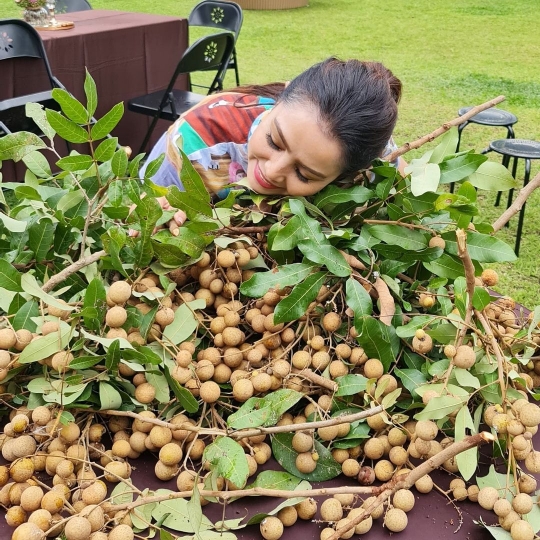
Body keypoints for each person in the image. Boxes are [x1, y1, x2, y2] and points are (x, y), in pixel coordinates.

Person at [141, 57, 404, 228]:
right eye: (275, 142)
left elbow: (398, 196)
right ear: (280, 98)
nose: (270, 172)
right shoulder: (199, 143)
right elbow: (141, 207)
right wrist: (157, 212)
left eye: (304, 174)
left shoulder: (371, 164)